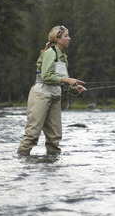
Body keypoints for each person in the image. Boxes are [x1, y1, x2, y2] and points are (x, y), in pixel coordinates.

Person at [17, 25, 86, 155]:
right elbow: (46, 77)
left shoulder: (63, 57)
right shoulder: (50, 53)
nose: (69, 38)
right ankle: (22, 165)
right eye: (66, 36)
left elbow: (60, 81)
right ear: (58, 39)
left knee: (55, 136)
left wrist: (73, 87)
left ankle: (52, 165)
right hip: (41, 95)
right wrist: (67, 80)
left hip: (55, 97)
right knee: (32, 133)